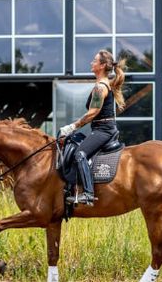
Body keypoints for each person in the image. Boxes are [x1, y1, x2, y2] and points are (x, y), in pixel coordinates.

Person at [59, 50, 126, 206]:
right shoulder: (102, 85)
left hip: (104, 130)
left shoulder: (100, 87)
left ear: (102, 66)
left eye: (94, 61)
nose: (91, 63)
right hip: (102, 129)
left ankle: (88, 194)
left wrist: (72, 127)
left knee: (80, 154)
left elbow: (93, 112)